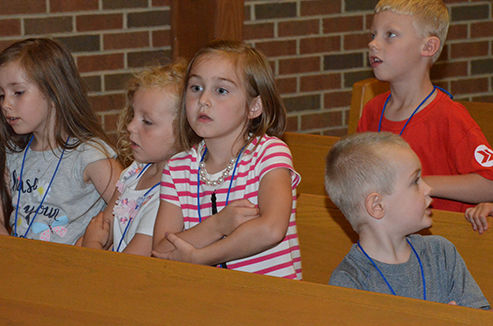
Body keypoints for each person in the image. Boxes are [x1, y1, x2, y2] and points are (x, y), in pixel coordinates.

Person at [153, 40, 302, 279]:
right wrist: (218, 225)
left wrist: (200, 257)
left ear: (254, 107)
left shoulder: (269, 154)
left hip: (269, 301)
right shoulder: (177, 168)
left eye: (221, 90)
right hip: (205, 301)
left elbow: (271, 229)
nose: (203, 100)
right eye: (196, 88)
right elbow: (162, 248)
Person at [326, 132, 490, 309]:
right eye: (415, 181)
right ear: (377, 206)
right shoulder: (349, 281)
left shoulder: (441, 253)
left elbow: (480, 317)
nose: (429, 188)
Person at [357, 0, 493, 213]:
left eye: (390, 35)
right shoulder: (373, 110)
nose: (373, 44)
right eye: (373, 35)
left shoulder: (449, 116)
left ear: (428, 47)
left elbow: (489, 184)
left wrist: (419, 183)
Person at [0, 38, 122, 244]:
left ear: (53, 92)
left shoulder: (89, 154)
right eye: (1, 95)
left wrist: (90, 242)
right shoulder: (14, 153)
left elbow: (128, 199)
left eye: (18, 92)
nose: (6, 104)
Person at [80, 62, 185, 255]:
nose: (130, 126)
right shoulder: (135, 171)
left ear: (184, 130)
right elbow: (103, 225)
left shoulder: (170, 197)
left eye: (147, 121)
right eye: (133, 115)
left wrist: (92, 244)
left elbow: (130, 267)